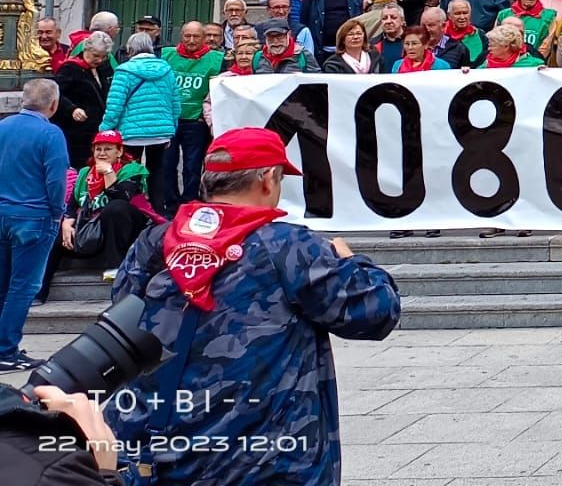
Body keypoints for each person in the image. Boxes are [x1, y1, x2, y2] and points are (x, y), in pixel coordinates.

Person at [105, 127, 401, 484]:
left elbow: (125, 310)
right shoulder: (286, 245)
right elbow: (375, 313)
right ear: (266, 179)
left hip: (162, 454)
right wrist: (355, 264)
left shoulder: (155, 242)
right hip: (265, 462)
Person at [0, 79, 68, 371]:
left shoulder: (3, 128)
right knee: (23, 287)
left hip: (3, 211)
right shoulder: (50, 134)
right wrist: (58, 212)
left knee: (4, 284)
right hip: (35, 215)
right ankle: (6, 349)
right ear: (53, 104)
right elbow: (56, 179)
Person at [99, 32, 180, 218]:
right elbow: (175, 103)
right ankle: (159, 213)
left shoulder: (124, 71)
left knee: (130, 171)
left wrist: (104, 130)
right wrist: (172, 129)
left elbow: (114, 106)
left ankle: (132, 210)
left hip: (130, 132)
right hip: (161, 132)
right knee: (157, 171)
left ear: (130, 50)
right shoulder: (167, 70)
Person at [60, 131, 158, 280]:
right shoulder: (85, 173)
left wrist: (108, 172)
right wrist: (67, 220)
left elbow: (122, 198)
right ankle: (38, 288)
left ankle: (116, 265)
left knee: (115, 208)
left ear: (119, 151)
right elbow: (73, 203)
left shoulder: (132, 170)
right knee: (52, 226)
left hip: (129, 227)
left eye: (108, 149)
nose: (102, 153)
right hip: (92, 226)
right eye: (98, 149)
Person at [160, 21, 222, 211]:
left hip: (196, 121)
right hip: (170, 120)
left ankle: (189, 203)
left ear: (204, 38)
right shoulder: (167, 55)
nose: (191, 40)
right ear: (181, 36)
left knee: (192, 166)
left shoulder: (216, 59)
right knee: (167, 165)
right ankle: (170, 204)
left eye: (196, 36)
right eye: (187, 36)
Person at [54, 31, 113, 168]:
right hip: (76, 131)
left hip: (94, 129)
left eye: (103, 57)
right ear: (86, 49)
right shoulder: (70, 68)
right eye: (96, 56)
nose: (99, 60)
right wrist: (72, 109)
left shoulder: (101, 68)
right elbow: (56, 93)